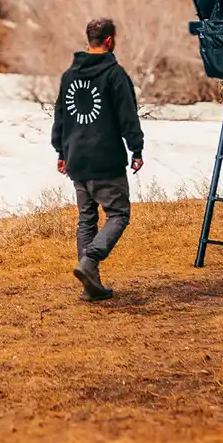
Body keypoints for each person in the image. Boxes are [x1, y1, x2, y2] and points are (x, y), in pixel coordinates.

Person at [52, 16, 144, 302]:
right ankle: (90, 261)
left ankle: (91, 286)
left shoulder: (69, 75)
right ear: (108, 41)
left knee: (87, 220)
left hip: (77, 159)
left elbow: (61, 117)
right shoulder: (115, 75)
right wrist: (136, 149)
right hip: (105, 160)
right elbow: (127, 116)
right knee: (118, 214)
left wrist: (61, 152)